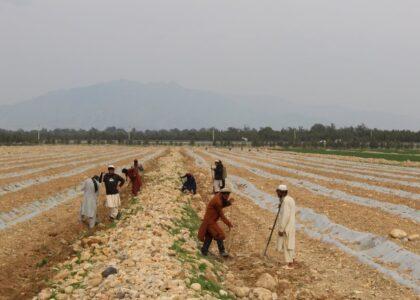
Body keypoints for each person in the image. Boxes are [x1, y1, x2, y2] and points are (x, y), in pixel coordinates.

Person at [198, 187, 234, 257]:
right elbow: (222, 215)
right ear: (224, 195)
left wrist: (229, 203)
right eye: (227, 196)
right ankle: (222, 251)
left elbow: (222, 204)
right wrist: (229, 224)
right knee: (220, 235)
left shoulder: (218, 197)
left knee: (209, 236)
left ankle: (204, 251)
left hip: (209, 221)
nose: (228, 197)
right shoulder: (217, 201)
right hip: (210, 222)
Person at [276, 184, 296, 269]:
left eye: (278, 192)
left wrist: (281, 229)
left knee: (287, 244)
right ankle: (293, 260)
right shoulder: (289, 199)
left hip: (287, 227)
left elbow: (285, 216)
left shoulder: (285, 201)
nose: (277, 194)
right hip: (291, 225)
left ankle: (290, 264)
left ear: (282, 192)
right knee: (290, 243)